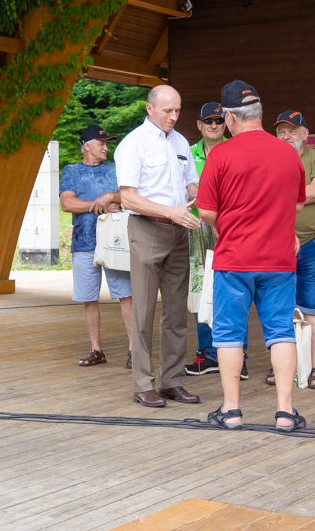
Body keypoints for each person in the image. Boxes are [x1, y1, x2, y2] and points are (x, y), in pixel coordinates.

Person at [197, 80, 307, 432]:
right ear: (258, 113)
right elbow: (299, 203)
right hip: (279, 258)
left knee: (229, 334)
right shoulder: (289, 153)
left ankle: (231, 411)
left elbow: (206, 212)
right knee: (281, 332)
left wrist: (228, 222)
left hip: (234, 258)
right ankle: (286, 412)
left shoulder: (220, 154)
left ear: (229, 117)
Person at [114, 84, 201, 407]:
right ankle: (142, 384)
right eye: (167, 111)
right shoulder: (132, 144)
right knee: (144, 312)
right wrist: (170, 212)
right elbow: (128, 197)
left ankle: (172, 381)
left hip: (180, 231)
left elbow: (191, 184)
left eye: (178, 110)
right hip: (147, 229)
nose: (174, 117)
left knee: (177, 312)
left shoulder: (180, 142)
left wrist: (200, 205)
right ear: (149, 109)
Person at [59, 125, 133, 368]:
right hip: (84, 243)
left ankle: (135, 351)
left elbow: (130, 195)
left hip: (115, 243)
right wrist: (100, 203)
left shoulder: (115, 169)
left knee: (126, 296)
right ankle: (97, 350)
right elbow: (67, 203)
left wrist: (112, 197)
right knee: (89, 299)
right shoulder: (72, 171)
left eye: (107, 143)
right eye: (101, 143)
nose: (106, 147)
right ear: (86, 145)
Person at [185, 102, 249, 381]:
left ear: (225, 123)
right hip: (197, 229)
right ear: (199, 125)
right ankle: (208, 354)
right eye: (207, 121)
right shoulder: (187, 154)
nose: (213, 125)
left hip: (230, 228)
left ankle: (240, 357)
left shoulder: (236, 148)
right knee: (202, 291)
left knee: (235, 290)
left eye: (218, 121)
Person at [270, 110, 315, 389]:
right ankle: (281, 368)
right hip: (276, 242)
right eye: (281, 131)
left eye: (292, 131)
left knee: (312, 309)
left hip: (311, 244)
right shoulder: (269, 157)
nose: (286, 136)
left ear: (305, 134)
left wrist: (280, 194)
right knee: (280, 308)